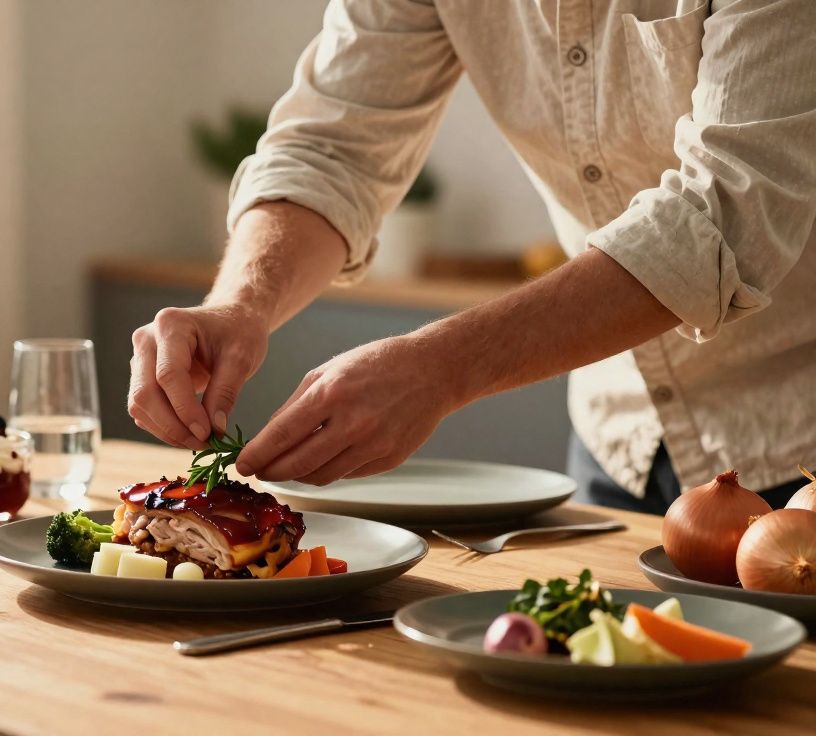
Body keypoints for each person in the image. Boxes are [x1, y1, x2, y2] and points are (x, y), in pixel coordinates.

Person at [127, 0, 813, 513]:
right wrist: (238, 303)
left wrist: (442, 368)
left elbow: (729, 210)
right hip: (620, 442)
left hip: (798, 440)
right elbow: (330, 149)